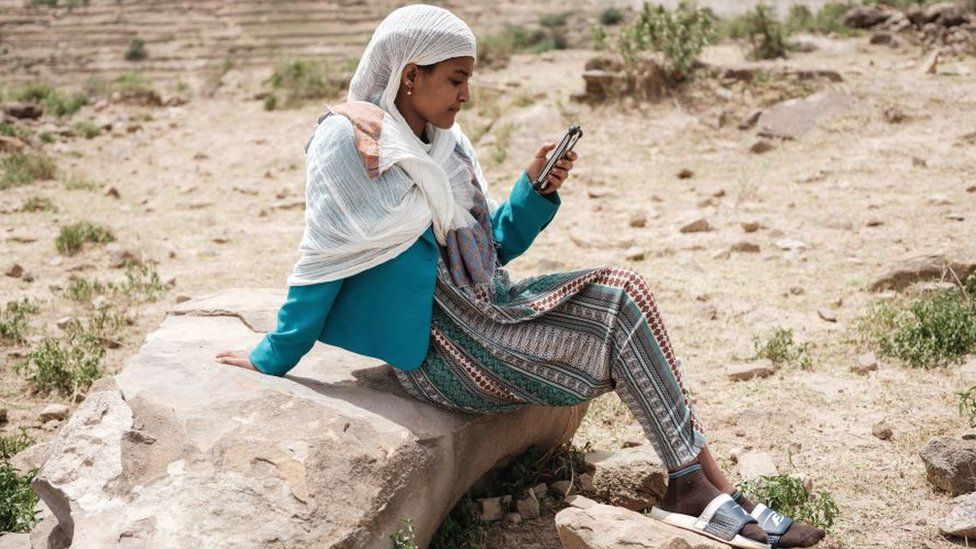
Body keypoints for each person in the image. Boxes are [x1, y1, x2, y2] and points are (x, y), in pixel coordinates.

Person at [215, 5, 824, 548]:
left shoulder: (446, 147)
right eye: (456, 80)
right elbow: (321, 258)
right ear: (409, 75)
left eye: (468, 80)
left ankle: (701, 484)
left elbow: (490, 247)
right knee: (616, 302)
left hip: (492, 313)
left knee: (623, 292)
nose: (466, 97)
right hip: (443, 350)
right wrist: (273, 355)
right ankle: (703, 490)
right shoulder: (350, 146)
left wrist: (533, 192)